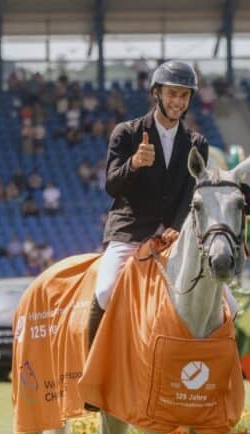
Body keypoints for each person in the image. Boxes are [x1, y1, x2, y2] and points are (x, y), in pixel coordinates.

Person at [89, 60, 209, 348]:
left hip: (174, 237)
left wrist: (177, 226)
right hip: (131, 231)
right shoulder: (126, 133)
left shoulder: (197, 143)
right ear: (157, 93)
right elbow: (112, 186)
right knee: (104, 291)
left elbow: (192, 193)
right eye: (172, 94)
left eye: (184, 95)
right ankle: (91, 364)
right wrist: (134, 163)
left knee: (226, 300)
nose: (178, 101)